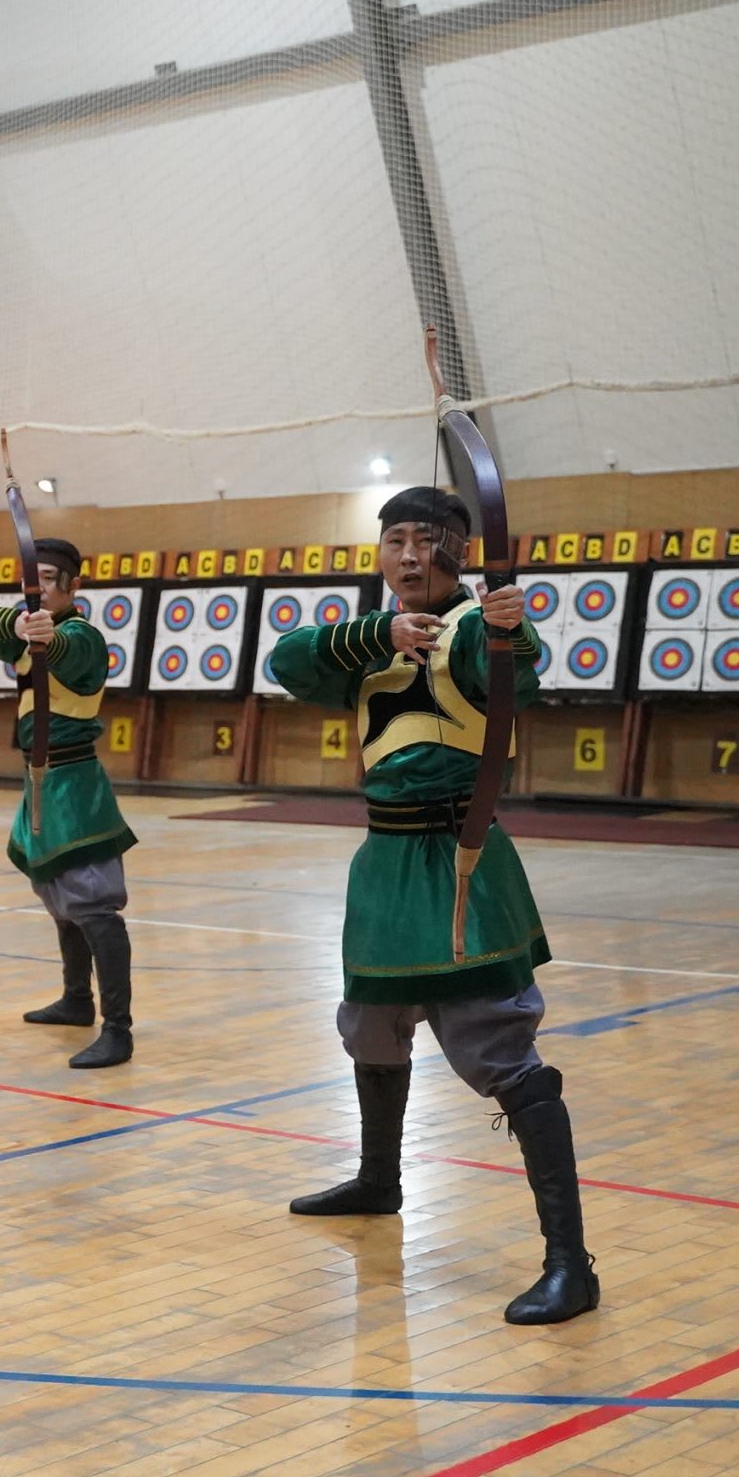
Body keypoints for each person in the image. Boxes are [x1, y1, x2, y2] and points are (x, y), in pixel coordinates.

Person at [269, 485, 592, 1326]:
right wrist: (378, 634)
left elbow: (515, 671)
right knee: (371, 1027)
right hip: (383, 863)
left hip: (459, 861)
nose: (409, 556)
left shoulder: (478, 626)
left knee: (498, 1047)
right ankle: (379, 1180)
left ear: (459, 550)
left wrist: (510, 625)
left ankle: (570, 1263)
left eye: (427, 540)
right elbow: (288, 662)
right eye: (395, 541)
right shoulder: (373, 639)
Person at [0, 538, 140, 1067]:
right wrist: (19, 624)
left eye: (47, 578)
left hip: (75, 784)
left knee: (94, 904)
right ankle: (77, 999)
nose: (35, 587)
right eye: (30, 577)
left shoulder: (83, 635)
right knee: (59, 894)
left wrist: (44, 636)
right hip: (40, 780)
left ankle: (118, 1029)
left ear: (73, 585)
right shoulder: (27, 632)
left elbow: (71, 650)